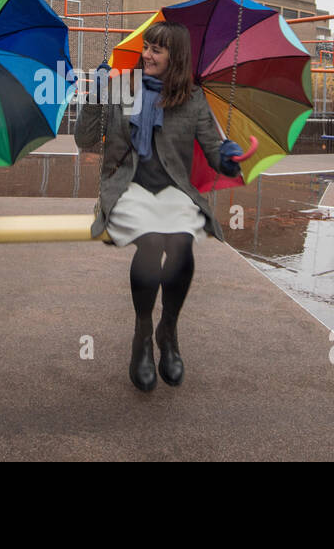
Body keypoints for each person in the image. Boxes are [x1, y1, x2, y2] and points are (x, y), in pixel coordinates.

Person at [73, 22, 244, 391]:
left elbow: (215, 153)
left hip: (172, 189)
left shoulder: (193, 98)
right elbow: (84, 139)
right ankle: (141, 337)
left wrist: (229, 158)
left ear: (175, 58)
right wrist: (97, 94)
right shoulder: (122, 87)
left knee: (181, 244)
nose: (147, 55)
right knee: (151, 241)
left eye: (157, 50)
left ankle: (168, 330)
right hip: (128, 184)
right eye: (147, 47)